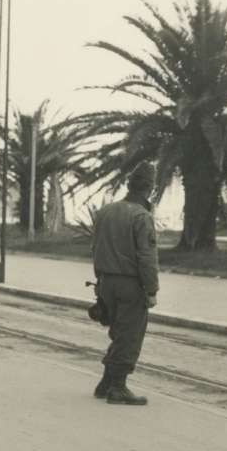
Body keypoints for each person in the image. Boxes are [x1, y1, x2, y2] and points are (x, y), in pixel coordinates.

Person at [90, 163, 161, 405]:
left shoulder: (105, 211)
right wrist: (151, 290)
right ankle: (118, 387)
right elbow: (147, 257)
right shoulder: (141, 216)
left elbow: (95, 247)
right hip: (130, 284)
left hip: (105, 281)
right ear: (149, 188)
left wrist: (100, 280)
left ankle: (105, 383)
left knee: (118, 333)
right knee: (129, 335)